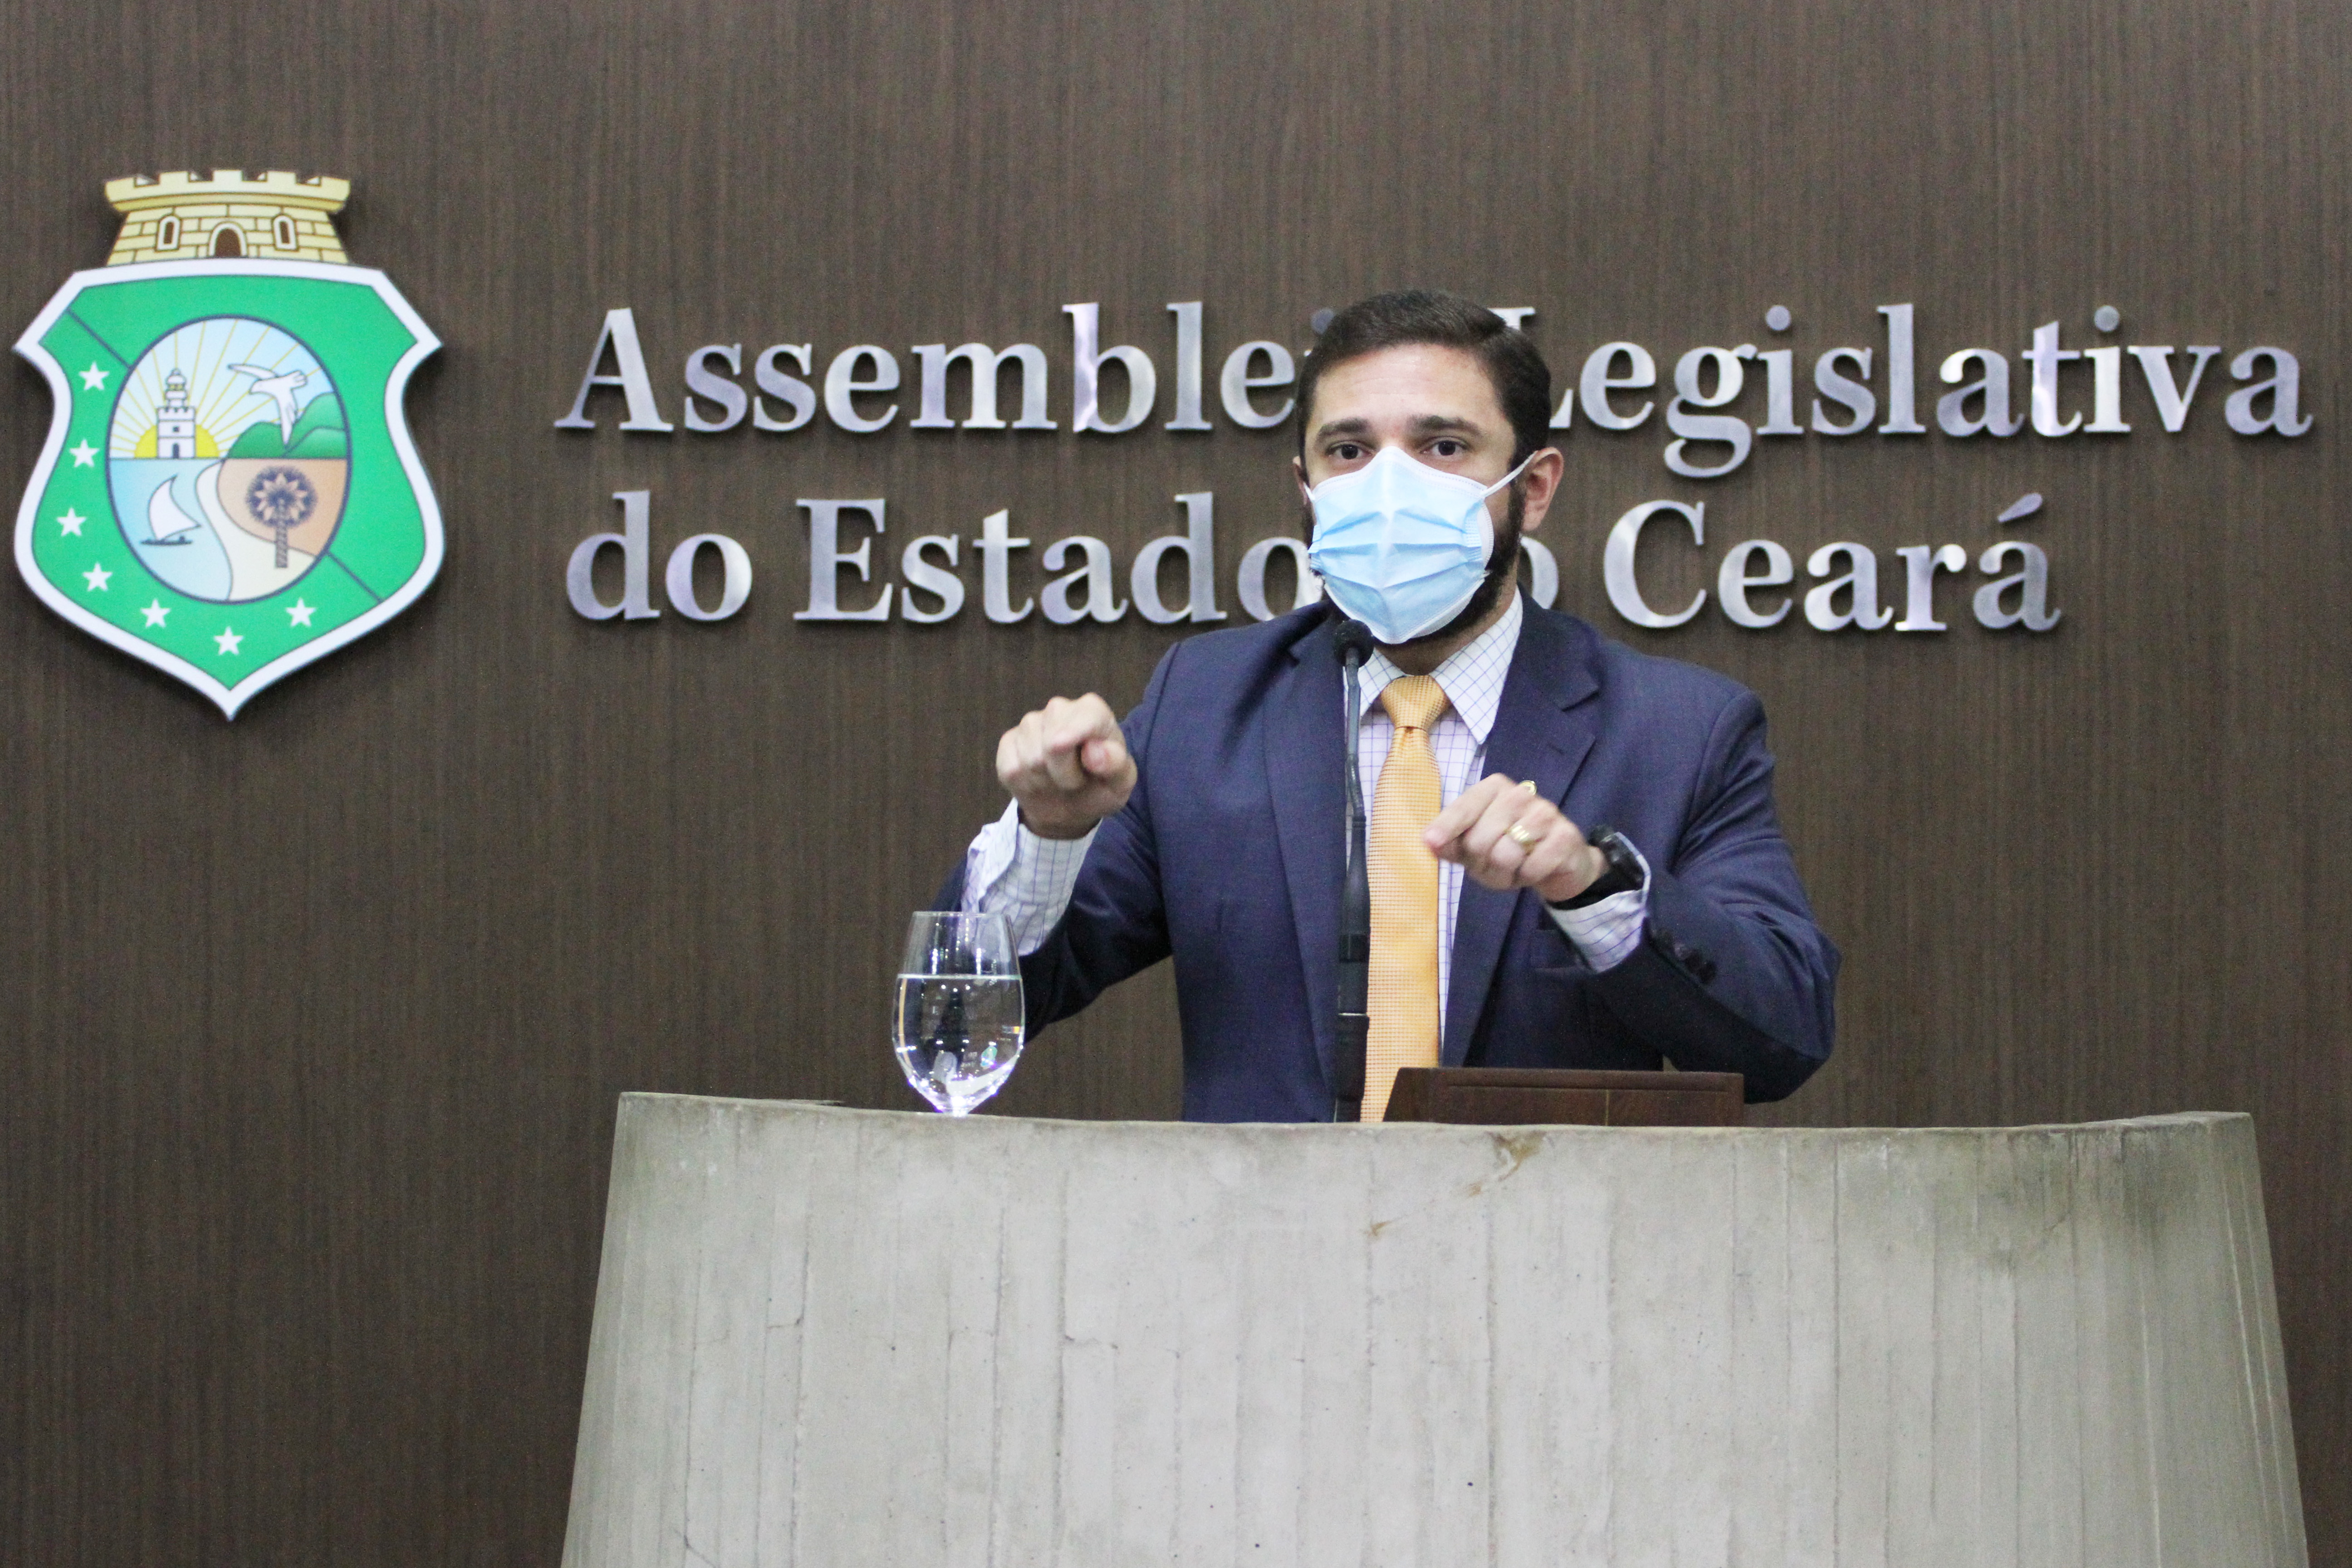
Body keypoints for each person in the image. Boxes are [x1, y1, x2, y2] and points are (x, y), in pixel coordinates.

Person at [943, 290, 1838, 1122]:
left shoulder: (1679, 732)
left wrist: (1589, 886)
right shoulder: (1204, 709)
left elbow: (1784, 1039)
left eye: (1443, 447)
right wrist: (1049, 837)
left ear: (1532, 488)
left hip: (1542, 1235)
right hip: (1260, 1236)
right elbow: (965, 1023)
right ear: (1305, 487)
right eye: (1349, 451)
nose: (1389, 486)